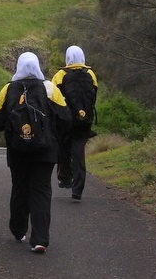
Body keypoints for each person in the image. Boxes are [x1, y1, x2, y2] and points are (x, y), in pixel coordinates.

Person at [0, 51, 71, 254]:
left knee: (20, 188)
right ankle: (40, 239)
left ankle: (18, 230)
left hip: (17, 151)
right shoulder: (50, 88)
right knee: (41, 191)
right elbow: (66, 119)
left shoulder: (7, 89)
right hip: (45, 150)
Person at [52, 45, 99, 201]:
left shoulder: (60, 75)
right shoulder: (91, 74)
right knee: (79, 153)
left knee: (63, 148)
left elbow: (53, 98)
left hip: (65, 122)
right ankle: (78, 189)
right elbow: (94, 98)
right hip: (84, 121)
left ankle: (65, 177)